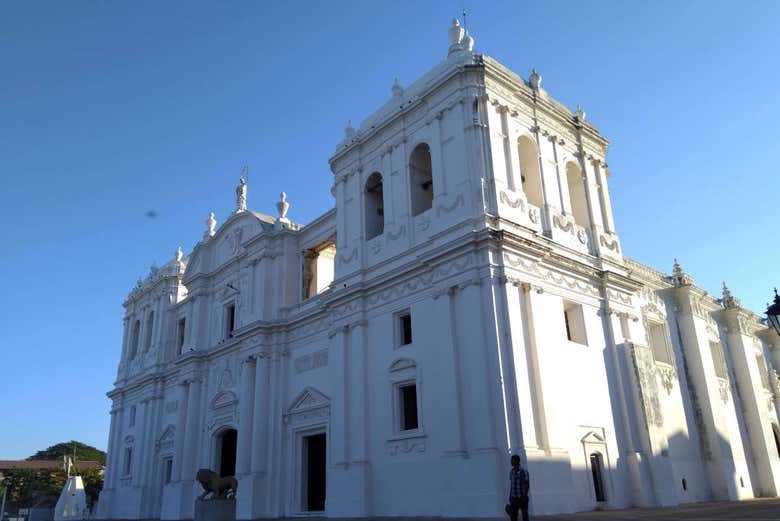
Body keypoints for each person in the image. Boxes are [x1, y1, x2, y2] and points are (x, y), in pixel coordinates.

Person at [505, 454, 530, 521]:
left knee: (525, 516)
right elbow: (512, 485)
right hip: (514, 498)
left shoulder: (523, 472)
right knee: (513, 517)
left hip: (522, 498)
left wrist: (524, 496)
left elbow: (526, 484)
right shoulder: (511, 472)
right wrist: (510, 496)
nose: (511, 462)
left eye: (512, 460)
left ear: (516, 461)